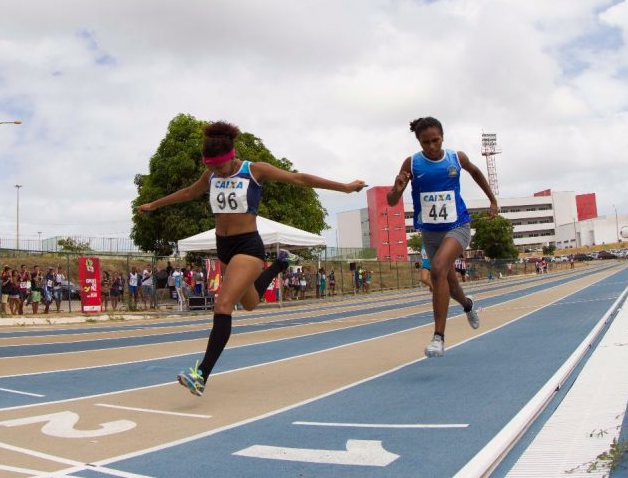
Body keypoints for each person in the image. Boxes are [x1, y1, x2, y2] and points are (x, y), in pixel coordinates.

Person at [138, 120, 365, 396]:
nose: (215, 173)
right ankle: (279, 264)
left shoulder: (254, 170)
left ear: (232, 157)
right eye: (210, 167)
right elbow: (188, 193)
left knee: (222, 305)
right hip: (224, 247)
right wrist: (154, 204)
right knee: (250, 304)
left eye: (219, 167)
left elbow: (300, 179)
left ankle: (201, 375)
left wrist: (344, 187)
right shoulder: (210, 175)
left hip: (247, 246)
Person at [387, 116, 495, 357]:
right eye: (426, 142)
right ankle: (468, 304)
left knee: (436, 271)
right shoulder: (412, 164)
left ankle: (438, 338)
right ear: (419, 142)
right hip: (429, 232)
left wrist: (493, 200)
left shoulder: (456, 158)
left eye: (435, 140)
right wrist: (396, 187)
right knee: (452, 285)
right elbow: (392, 201)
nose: (432, 146)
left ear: (442, 137)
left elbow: (476, 173)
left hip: (457, 226)